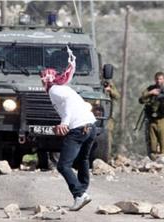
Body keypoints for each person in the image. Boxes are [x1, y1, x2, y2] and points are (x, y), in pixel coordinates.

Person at [40, 46, 96, 211]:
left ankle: (79, 195)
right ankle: (83, 191)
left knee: (63, 165)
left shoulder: (54, 91)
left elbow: (68, 105)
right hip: (91, 126)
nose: (43, 82)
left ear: (48, 80)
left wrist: (64, 122)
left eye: (43, 79)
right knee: (82, 160)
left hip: (78, 128)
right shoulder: (63, 87)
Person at [139, 72, 164, 159]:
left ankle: (163, 159)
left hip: (162, 119)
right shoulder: (150, 89)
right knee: (152, 142)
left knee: (163, 141)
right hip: (152, 119)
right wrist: (150, 93)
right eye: (157, 79)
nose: (158, 81)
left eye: (160, 79)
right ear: (154, 79)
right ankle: (153, 159)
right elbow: (141, 100)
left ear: (163, 79)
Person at [104, 81, 120, 153]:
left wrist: (110, 90)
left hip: (107, 116)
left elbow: (117, 96)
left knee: (108, 136)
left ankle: (107, 153)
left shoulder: (109, 83)